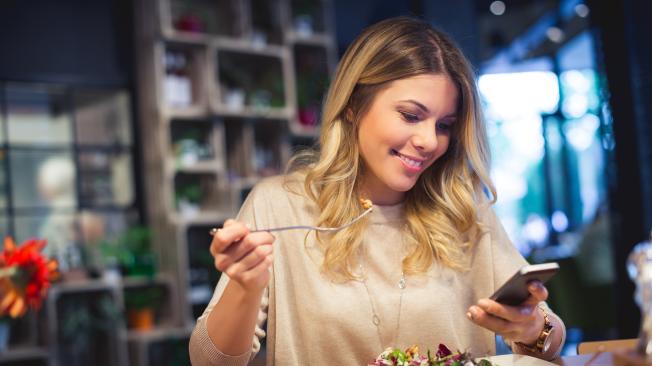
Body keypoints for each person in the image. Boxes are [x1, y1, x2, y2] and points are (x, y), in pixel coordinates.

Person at [189, 16, 566, 365]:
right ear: (354, 105)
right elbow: (209, 361)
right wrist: (244, 287)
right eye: (411, 115)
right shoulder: (278, 205)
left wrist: (533, 329)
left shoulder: (463, 208)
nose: (429, 141)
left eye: (445, 125)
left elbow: (550, 335)